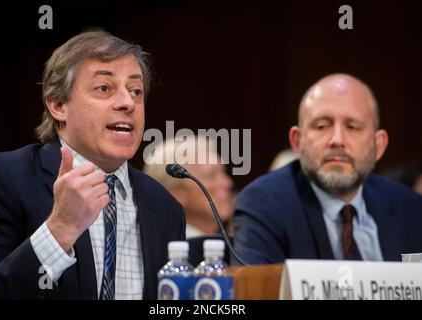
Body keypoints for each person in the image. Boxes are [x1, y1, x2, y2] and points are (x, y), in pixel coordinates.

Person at [0, 30, 185, 299]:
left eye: (136, 91)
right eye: (104, 88)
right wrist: (61, 229)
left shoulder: (165, 207)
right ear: (58, 104)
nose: (128, 103)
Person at [233, 73, 422, 264]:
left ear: (378, 146)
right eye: (322, 126)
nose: (337, 140)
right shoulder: (265, 205)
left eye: (352, 127)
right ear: (297, 143)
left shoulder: (411, 209)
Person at [143, 135, 235, 239]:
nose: (227, 183)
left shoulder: (237, 243)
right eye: (211, 176)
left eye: (223, 172)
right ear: (176, 195)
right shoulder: (161, 250)